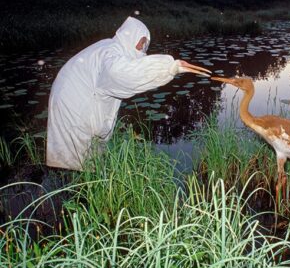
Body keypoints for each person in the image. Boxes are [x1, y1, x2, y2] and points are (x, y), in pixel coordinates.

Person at [46, 17, 210, 170]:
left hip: (72, 101)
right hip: (74, 106)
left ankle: (76, 188)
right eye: (141, 42)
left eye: (146, 44)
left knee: (84, 160)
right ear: (130, 36)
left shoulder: (111, 48)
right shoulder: (111, 52)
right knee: (75, 163)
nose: (143, 48)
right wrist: (168, 67)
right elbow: (120, 74)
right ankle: (72, 192)